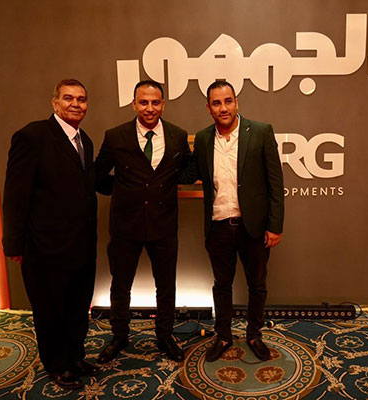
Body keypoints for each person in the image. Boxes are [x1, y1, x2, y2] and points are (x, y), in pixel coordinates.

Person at [2, 79, 98, 389]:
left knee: (77, 307)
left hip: (81, 246)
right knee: (50, 311)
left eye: (81, 99)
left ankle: (75, 356)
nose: (75, 104)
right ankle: (57, 364)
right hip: (45, 247)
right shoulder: (32, 136)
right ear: (54, 103)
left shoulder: (85, 141)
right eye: (68, 98)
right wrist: (13, 244)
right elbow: (15, 195)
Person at [179, 80, 284, 362]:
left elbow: (275, 183)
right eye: (216, 103)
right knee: (221, 285)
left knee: (257, 285)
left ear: (236, 102)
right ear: (209, 108)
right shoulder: (203, 139)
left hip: (254, 227)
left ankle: (254, 334)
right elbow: (189, 174)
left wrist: (275, 226)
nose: (223, 108)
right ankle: (223, 336)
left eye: (228, 101)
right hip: (218, 226)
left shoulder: (260, 132)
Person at [95, 80, 191, 363]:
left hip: (164, 225)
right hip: (126, 226)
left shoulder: (177, 135)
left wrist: (168, 184)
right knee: (120, 285)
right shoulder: (115, 136)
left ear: (163, 104)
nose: (150, 108)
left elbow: (188, 169)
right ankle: (119, 335)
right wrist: (123, 191)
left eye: (155, 102)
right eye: (144, 102)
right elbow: (97, 176)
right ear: (134, 104)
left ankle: (165, 336)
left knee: (167, 286)